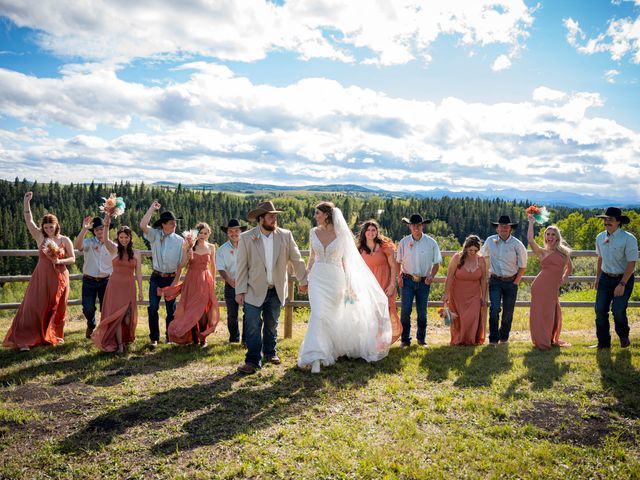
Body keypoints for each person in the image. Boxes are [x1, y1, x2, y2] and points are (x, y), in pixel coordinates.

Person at [298, 203, 393, 373]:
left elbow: (348, 262)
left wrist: (350, 285)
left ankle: (329, 350)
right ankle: (315, 356)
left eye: (317, 213)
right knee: (318, 315)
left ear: (326, 215)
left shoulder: (342, 235)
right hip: (317, 278)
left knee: (331, 317)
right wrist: (305, 279)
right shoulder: (313, 232)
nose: (315, 215)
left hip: (336, 279)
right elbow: (312, 258)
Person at [235, 201, 308, 374]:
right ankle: (252, 360)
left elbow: (297, 259)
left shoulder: (285, 235)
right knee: (252, 324)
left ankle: (270, 352)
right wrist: (239, 290)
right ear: (260, 219)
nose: (274, 219)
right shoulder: (247, 237)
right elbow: (241, 266)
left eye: (275, 216)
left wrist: (303, 280)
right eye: (270, 216)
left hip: (276, 289)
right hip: (253, 288)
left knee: (271, 324)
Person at [3, 192, 75, 351]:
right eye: (46, 226)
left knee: (59, 305)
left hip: (60, 276)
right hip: (42, 276)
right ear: (43, 227)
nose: (49, 229)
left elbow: (73, 259)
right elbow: (28, 220)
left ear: (57, 225)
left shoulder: (64, 240)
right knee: (34, 306)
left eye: (51, 226)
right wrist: (26, 202)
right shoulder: (39, 237)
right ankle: (26, 338)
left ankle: (56, 335)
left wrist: (59, 261)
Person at [159, 222, 220, 347]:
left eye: (205, 233)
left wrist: (212, 283)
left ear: (209, 234)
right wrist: (188, 250)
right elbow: (181, 265)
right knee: (190, 309)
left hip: (205, 281)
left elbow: (213, 266)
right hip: (191, 280)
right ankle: (194, 339)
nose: (203, 235)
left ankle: (203, 338)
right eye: (200, 233)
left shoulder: (211, 247)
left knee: (203, 310)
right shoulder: (190, 246)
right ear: (196, 234)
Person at [91, 214, 143, 353]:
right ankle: (120, 345)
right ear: (118, 238)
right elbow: (106, 239)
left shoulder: (137, 253)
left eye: (126, 237)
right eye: (121, 237)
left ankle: (125, 339)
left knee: (127, 317)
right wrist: (107, 224)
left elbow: (138, 273)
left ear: (130, 238)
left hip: (129, 286)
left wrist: (141, 291)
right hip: (115, 285)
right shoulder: (113, 249)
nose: (124, 240)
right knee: (117, 317)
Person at [139, 201, 184, 348]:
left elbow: (181, 264)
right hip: (156, 277)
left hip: (171, 277)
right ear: (163, 224)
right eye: (171, 223)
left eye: (175, 223)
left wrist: (175, 282)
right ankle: (154, 338)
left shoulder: (180, 241)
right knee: (153, 307)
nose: (174, 225)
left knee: (171, 309)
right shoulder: (155, 235)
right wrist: (152, 208)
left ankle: (169, 336)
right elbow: (143, 225)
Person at [593, 207, 638, 349]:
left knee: (618, 310)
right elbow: (600, 258)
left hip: (623, 279)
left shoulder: (628, 239)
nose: (607, 222)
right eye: (605, 219)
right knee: (600, 310)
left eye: (610, 219)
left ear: (619, 222)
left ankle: (624, 337)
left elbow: (631, 263)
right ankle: (603, 343)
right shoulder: (600, 237)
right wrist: (597, 277)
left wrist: (622, 283)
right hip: (605, 278)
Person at [527, 216, 573, 350]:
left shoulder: (564, 253)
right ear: (545, 237)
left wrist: (562, 279)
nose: (550, 236)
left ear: (557, 237)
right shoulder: (542, 252)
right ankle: (541, 340)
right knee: (540, 314)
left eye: (553, 234)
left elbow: (569, 268)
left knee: (551, 313)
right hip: (540, 286)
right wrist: (531, 223)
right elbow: (530, 240)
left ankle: (549, 338)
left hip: (553, 288)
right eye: (547, 234)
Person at [480, 215, 527, 346]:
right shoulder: (490, 240)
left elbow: (523, 266)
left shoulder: (517, 244)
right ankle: (493, 339)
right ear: (497, 228)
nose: (503, 229)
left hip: (511, 281)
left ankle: (504, 338)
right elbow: (482, 257)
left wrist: (515, 282)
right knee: (494, 309)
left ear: (510, 228)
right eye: (501, 226)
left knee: (508, 312)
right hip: (495, 280)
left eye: (506, 226)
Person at [396, 214, 442, 347]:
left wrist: (431, 276)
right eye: (413, 225)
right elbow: (398, 261)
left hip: (423, 281)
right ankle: (405, 340)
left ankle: (421, 340)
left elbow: (437, 263)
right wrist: (399, 277)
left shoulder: (431, 242)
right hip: (407, 280)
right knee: (405, 311)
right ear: (409, 226)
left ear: (422, 226)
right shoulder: (403, 242)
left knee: (422, 312)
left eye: (419, 225)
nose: (416, 228)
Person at [357, 219, 402, 344]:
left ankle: (382, 341)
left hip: (384, 283)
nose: (371, 232)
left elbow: (393, 266)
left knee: (383, 314)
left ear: (377, 231)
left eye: (373, 230)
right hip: (368, 287)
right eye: (368, 230)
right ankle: (371, 341)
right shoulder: (359, 249)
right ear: (364, 232)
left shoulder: (384, 247)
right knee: (370, 313)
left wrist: (392, 284)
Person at [74, 216, 115, 338]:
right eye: (97, 230)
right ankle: (91, 324)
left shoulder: (112, 245)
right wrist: (84, 230)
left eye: (102, 229)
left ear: (106, 230)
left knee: (106, 309)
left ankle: (103, 331)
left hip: (106, 281)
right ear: (94, 232)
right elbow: (77, 246)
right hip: (89, 280)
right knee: (88, 308)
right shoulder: (89, 242)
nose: (100, 232)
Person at [442, 235, 487, 346]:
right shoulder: (457, 257)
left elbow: (483, 280)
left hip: (474, 295)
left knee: (472, 317)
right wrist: (446, 294)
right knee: (459, 319)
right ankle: (459, 340)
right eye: (470, 250)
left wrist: (484, 297)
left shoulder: (481, 260)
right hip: (457, 294)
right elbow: (449, 277)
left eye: (475, 250)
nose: (473, 252)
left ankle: (470, 340)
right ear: (466, 247)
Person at [216, 218, 248, 344]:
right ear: (227, 233)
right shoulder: (222, 250)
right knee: (232, 316)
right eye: (231, 231)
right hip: (230, 284)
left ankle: (246, 339)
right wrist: (229, 280)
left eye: (236, 230)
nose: (234, 233)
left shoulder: (247, 246)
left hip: (246, 284)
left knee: (248, 314)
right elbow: (220, 268)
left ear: (240, 231)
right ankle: (234, 338)